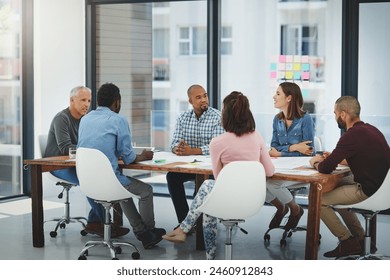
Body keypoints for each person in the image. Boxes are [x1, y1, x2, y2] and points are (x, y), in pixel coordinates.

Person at [162, 91, 275, 259]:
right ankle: (194, 240)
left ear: (226, 115)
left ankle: (189, 234)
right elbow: (270, 171)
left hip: (227, 198)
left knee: (208, 187)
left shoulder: (218, 142)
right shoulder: (257, 137)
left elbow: (218, 177)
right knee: (209, 206)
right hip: (253, 200)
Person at [77, 82, 166, 249]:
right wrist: (144, 156)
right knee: (146, 191)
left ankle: (141, 232)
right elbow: (128, 158)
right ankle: (149, 230)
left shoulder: (85, 119)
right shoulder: (118, 120)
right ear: (116, 101)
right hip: (110, 181)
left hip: (87, 182)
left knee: (123, 191)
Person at [309, 96, 390, 258]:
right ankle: (360, 240)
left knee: (319, 200)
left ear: (343, 114)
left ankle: (346, 241)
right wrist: (334, 156)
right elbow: (362, 157)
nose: (335, 117)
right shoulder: (372, 130)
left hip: (368, 191)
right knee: (339, 187)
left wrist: (315, 162)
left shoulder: (350, 136)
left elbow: (326, 168)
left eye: (335, 113)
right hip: (383, 190)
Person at [44, 86, 128, 237]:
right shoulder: (61, 119)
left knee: (104, 177)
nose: (87, 104)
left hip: (79, 164)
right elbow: (65, 148)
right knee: (91, 180)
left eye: (89, 101)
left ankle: (93, 223)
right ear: (71, 100)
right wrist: (95, 150)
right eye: (83, 100)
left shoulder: (86, 118)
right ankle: (106, 224)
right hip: (58, 166)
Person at [167, 84, 225, 224]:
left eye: (205, 96)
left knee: (201, 187)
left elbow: (216, 146)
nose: (204, 100)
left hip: (212, 168)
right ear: (190, 101)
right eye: (198, 97)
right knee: (172, 177)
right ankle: (184, 222)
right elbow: (174, 143)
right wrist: (178, 149)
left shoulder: (218, 117)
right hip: (191, 166)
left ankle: (196, 224)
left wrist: (191, 151)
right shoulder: (183, 118)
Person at [265, 82, 315, 231]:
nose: (274, 96)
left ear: (289, 98)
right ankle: (281, 207)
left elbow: (308, 151)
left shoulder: (305, 119)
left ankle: (295, 209)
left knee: (271, 184)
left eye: (278, 93)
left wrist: (281, 153)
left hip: (299, 170)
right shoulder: (277, 119)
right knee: (258, 183)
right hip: (280, 168)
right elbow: (273, 147)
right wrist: (293, 147)